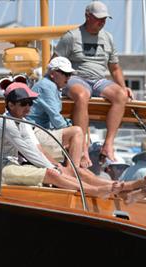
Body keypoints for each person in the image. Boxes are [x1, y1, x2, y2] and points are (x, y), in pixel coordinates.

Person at [0, 82, 146, 201]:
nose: (28, 107)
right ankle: (98, 191)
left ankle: (123, 189)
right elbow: (31, 152)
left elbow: (36, 148)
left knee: (75, 171)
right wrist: (55, 169)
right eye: (24, 103)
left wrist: (62, 169)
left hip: (11, 163)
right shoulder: (8, 125)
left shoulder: (22, 121)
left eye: (30, 102)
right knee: (55, 173)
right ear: (10, 105)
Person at [55, 1, 132, 164]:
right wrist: (54, 85)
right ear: (87, 16)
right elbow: (54, 64)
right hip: (76, 77)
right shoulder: (71, 36)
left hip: (98, 80)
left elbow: (115, 68)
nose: (102, 22)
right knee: (83, 95)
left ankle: (108, 143)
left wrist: (124, 87)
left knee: (120, 95)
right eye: (98, 18)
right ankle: (82, 148)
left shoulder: (108, 38)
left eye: (104, 19)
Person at [27, 57, 91, 168]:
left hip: (37, 132)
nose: (68, 77)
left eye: (70, 74)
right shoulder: (47, 86)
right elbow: (56, 120)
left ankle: (73, 171)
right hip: (33, 133)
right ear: (52, 73)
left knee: (75, 134)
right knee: (77, 132)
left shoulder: (50, 86)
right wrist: (71, 129)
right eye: (65, 74)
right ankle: (73, 173)